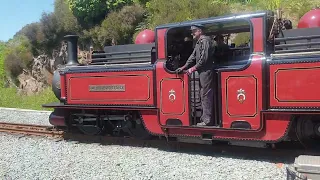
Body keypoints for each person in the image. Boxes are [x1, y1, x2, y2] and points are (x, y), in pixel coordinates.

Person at [175, 24, 215, 126]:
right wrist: (184, 67)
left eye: (194, 30)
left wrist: (192, 68)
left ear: (200, 31)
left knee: (206, 95)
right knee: (202, 94)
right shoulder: (199, 42)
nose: (192, 33)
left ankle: (207, 120)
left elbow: (203, 59)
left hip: (206, 71)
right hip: (202, 72)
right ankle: (205, 117)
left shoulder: (205, 41)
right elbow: (192, 57)